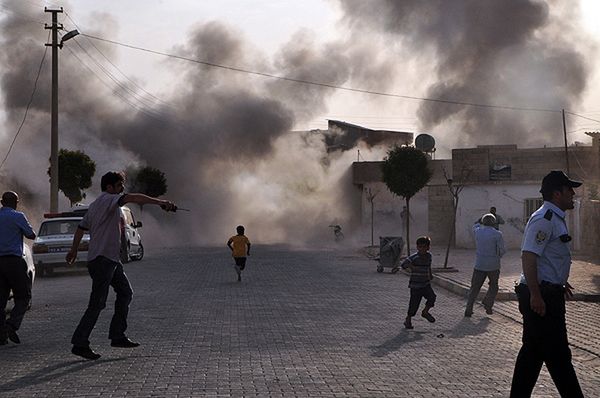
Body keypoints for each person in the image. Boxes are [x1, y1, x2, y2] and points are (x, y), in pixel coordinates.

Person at [67, 171, 176, 360]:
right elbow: (134, 197)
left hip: (108, 260)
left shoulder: (94, 206)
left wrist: (73, 250)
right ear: (109, 187)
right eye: (119, 186)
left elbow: (80, 228)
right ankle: (80, 342)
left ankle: (117, 335)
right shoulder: (108, 200)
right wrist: (161, 202)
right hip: (103, 260)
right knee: (97, 304)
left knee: (125, 293)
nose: (122, 190)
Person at [510, 170, 584, 397]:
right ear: (556, 194)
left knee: (532, 355)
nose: (573, 193)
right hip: (542, 296)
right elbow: (529, 256)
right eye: (568, 190)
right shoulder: (545, 219)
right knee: (559, 356)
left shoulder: (556, 218)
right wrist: (536, 295)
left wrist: (562, 281)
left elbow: (549, 257)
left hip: (548, 291)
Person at [0, 191, 36, 345]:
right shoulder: (18, 216)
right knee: (24, 296)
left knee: (0, 301)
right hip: (14, 262)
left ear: (2, 202)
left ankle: (1, 336)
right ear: (16, 202)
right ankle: (11, 325)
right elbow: (31, 235)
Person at [465, 213, 505, 317]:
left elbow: (475, 225)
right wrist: (497, 256)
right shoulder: (498, 234)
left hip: (480, 264)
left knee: (475, 287)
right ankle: (488, 303)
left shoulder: (478, 231)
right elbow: (502, 250)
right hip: (494, 265)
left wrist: (479, 220)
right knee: (493, 286)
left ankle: (469, 309)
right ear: (494, 223)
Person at [400, 236, 436, 329]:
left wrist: (430, 274)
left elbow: (428, 266)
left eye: (424, 247)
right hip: (415, 285)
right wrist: (412, 267)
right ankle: (408, 320)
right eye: (420, 247)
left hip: (425, 283)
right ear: (417, 247)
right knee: (414, 303)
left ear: (428, 247)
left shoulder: (429, 256)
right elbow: (404, 264)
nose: (422, 249)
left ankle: (425, 312)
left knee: (432, 297)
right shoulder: (414, 257)